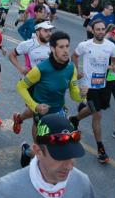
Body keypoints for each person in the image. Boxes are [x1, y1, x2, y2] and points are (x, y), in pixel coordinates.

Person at [0, 115, 96, 198]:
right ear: (38, 151)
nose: (69, 166)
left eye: (72, 155)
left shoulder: (82, 182)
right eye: (59, 157)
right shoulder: (6, 190)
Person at [16, 31, 84, 167]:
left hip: (59, 112)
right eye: (61, 47)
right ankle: (28, 152)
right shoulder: (41, 69)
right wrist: (35, 106)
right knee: (42, 149)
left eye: (67, 46)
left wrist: (82, 94)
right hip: (41, 115)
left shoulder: (71, 68)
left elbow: (75, 96)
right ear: (52, 49)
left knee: (58, 146)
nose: (65, 51)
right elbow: (21, 87)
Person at [69, 19, 115, 164]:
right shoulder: (85, 45)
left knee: (94, 109)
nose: (100, 31)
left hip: (102, 85)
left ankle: (75, 119)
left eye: (102, 29)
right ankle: (100, 148)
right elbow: (75, 55)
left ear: (105, 30)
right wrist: (76, 70)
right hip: (88, 85)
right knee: (97, 114)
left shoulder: (110, 46)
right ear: (92, 30)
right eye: (97, 29)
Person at [10, 21, 54, 134]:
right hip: (32, 84)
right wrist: (21, 68)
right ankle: (38, 149)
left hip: (48, 84)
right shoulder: (28, 44)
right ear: (38, 31)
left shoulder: (53, 45)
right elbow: (12, 55)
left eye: (50, 30)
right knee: (37, 116)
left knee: (35, 110)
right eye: (46, 30)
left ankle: (19, 118)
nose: (49, 33)